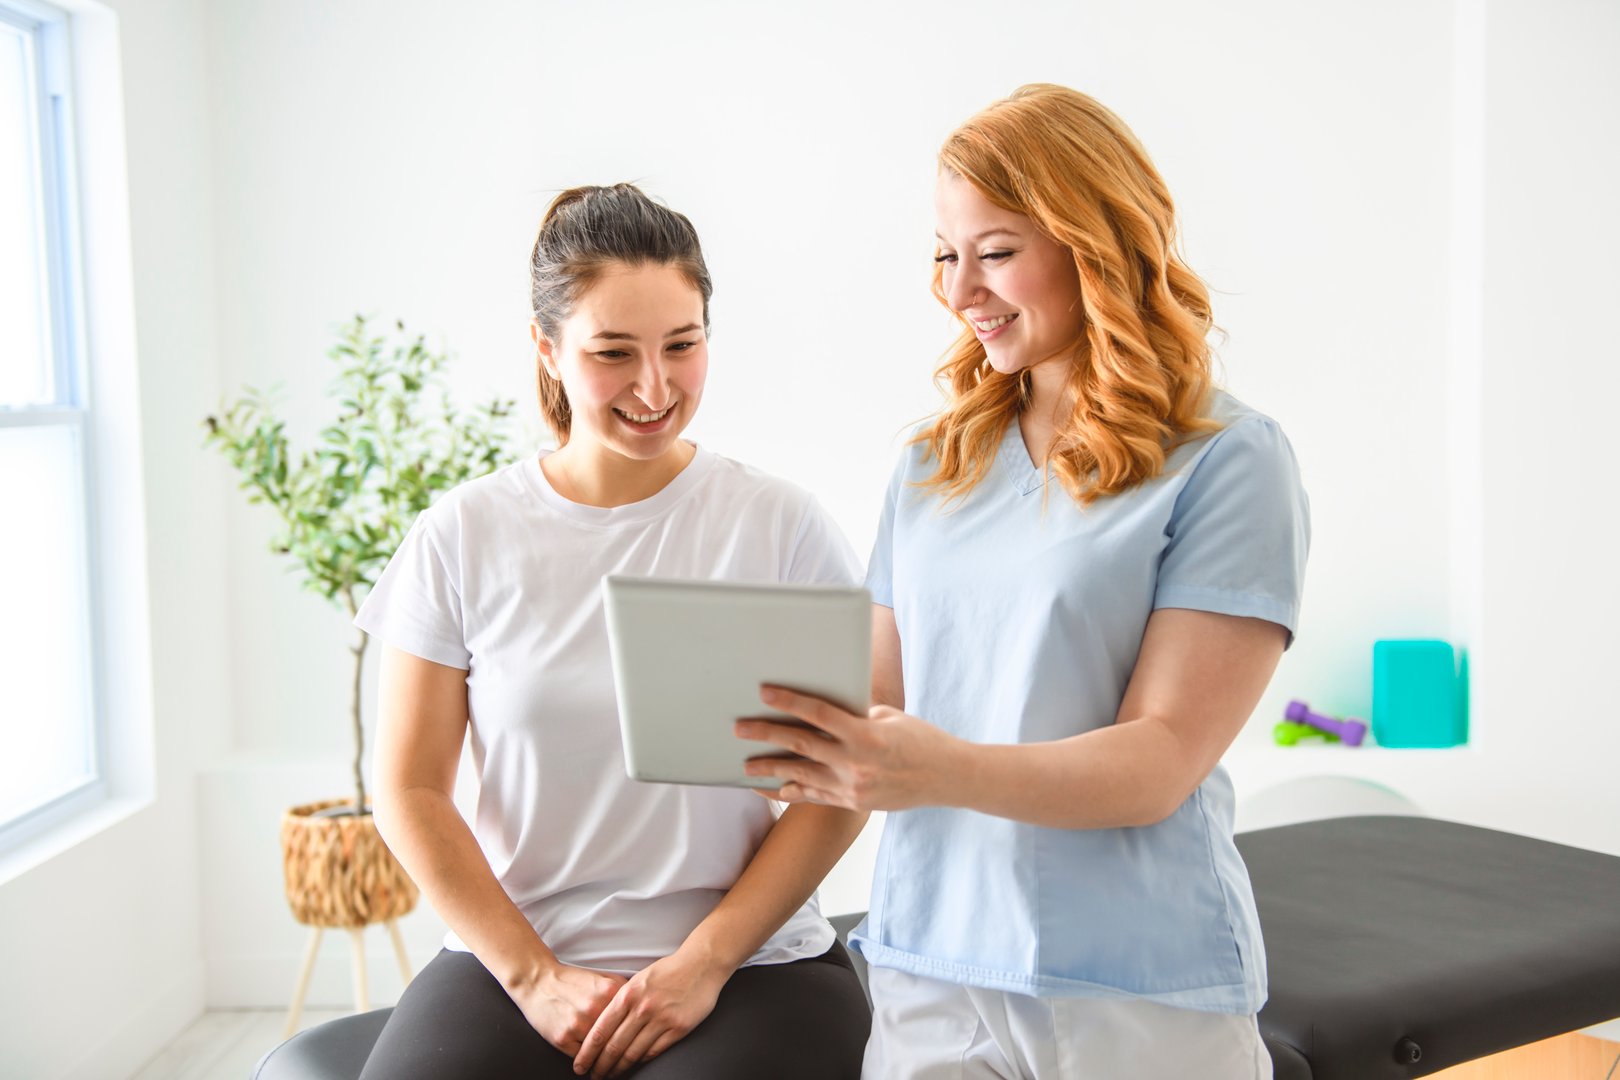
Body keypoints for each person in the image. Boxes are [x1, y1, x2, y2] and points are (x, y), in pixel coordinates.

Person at [736, 85, 1310, 1079]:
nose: (960, 292)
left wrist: (934, 769)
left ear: (1101, 241)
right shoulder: (933, 461)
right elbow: (881, 698)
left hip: (1135, 983)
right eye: (945, 255)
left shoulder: (1226, 458)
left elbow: (1161, 757)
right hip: (933, 968)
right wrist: (762, 722)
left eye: (995, 252)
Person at [354, 183, 871, 1080]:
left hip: (750, 963)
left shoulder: (779, 524)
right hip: (516, 958)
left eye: (683, 345)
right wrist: (534, 976)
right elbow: (409, 787)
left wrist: (703, 962)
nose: (654, 386)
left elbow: (842, 781)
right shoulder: (463, 535)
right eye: (613, 353)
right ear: (546, 349)